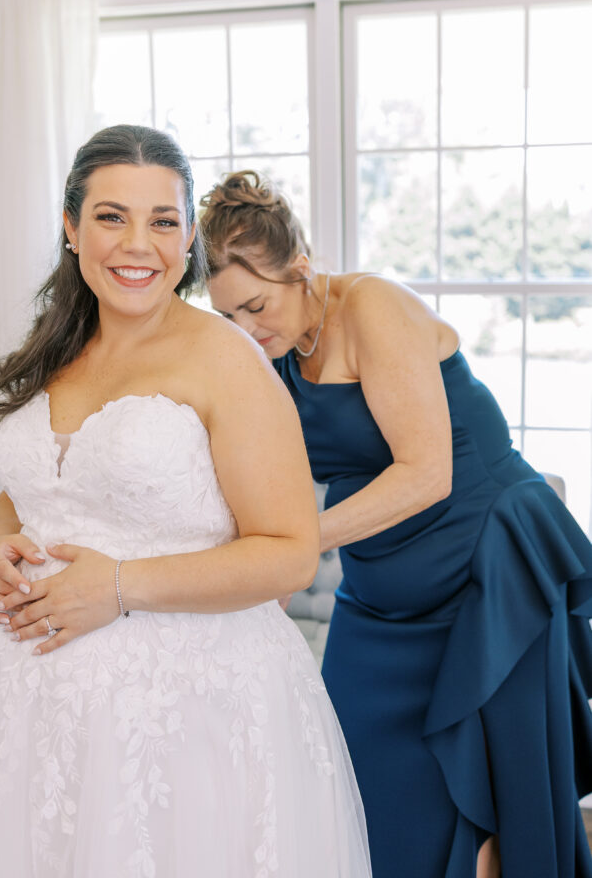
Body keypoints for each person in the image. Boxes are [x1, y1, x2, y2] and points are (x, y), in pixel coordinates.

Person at [0, 127, 371, 877]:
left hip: (184, 713)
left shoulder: (224, 359)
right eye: (111, 217)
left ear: (187, 239)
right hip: (39, 698)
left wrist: (117, 586)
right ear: (71, 229)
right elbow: (43, 482)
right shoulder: (58, 346)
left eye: (163, 221)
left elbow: (289, 552)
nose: (138, 244)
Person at [199, 169, 592, 878]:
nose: (247, 332)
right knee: (351, 778)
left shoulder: (372, 307)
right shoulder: (274, 354)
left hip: (486, 572)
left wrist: (291, 547)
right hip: (379, 593)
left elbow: (424, 473)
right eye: (229, 317)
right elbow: (281, 477)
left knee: (485, 806)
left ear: (300, 266)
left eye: (256, 306)